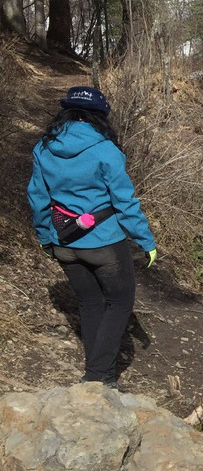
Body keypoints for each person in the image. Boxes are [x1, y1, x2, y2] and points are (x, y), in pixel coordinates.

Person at [26, 86, 157, 389]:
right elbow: (124, 202)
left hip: (65, 243)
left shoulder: (43, 148)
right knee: (120, 303)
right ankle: (100, 377)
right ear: (100, 117)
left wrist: (46, 237)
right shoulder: (106, 150)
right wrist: (146, 241)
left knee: (89, 304)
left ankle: (97, 376)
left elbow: (37, 198)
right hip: (104, 244)